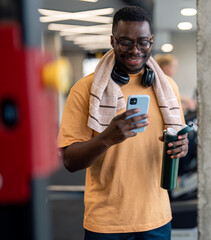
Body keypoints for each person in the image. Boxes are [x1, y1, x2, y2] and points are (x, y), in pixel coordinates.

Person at [57, 6, 189, 240]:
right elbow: (69, 161)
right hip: (106, 223)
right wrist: (107, 137)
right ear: (112, 40)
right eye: (125, 42)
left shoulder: (168, 88)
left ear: (152, 41)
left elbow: (174, 139)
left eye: (142, 43)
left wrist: (181, 146)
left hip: (156, 218)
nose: (135, 50)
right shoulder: (85, 90)